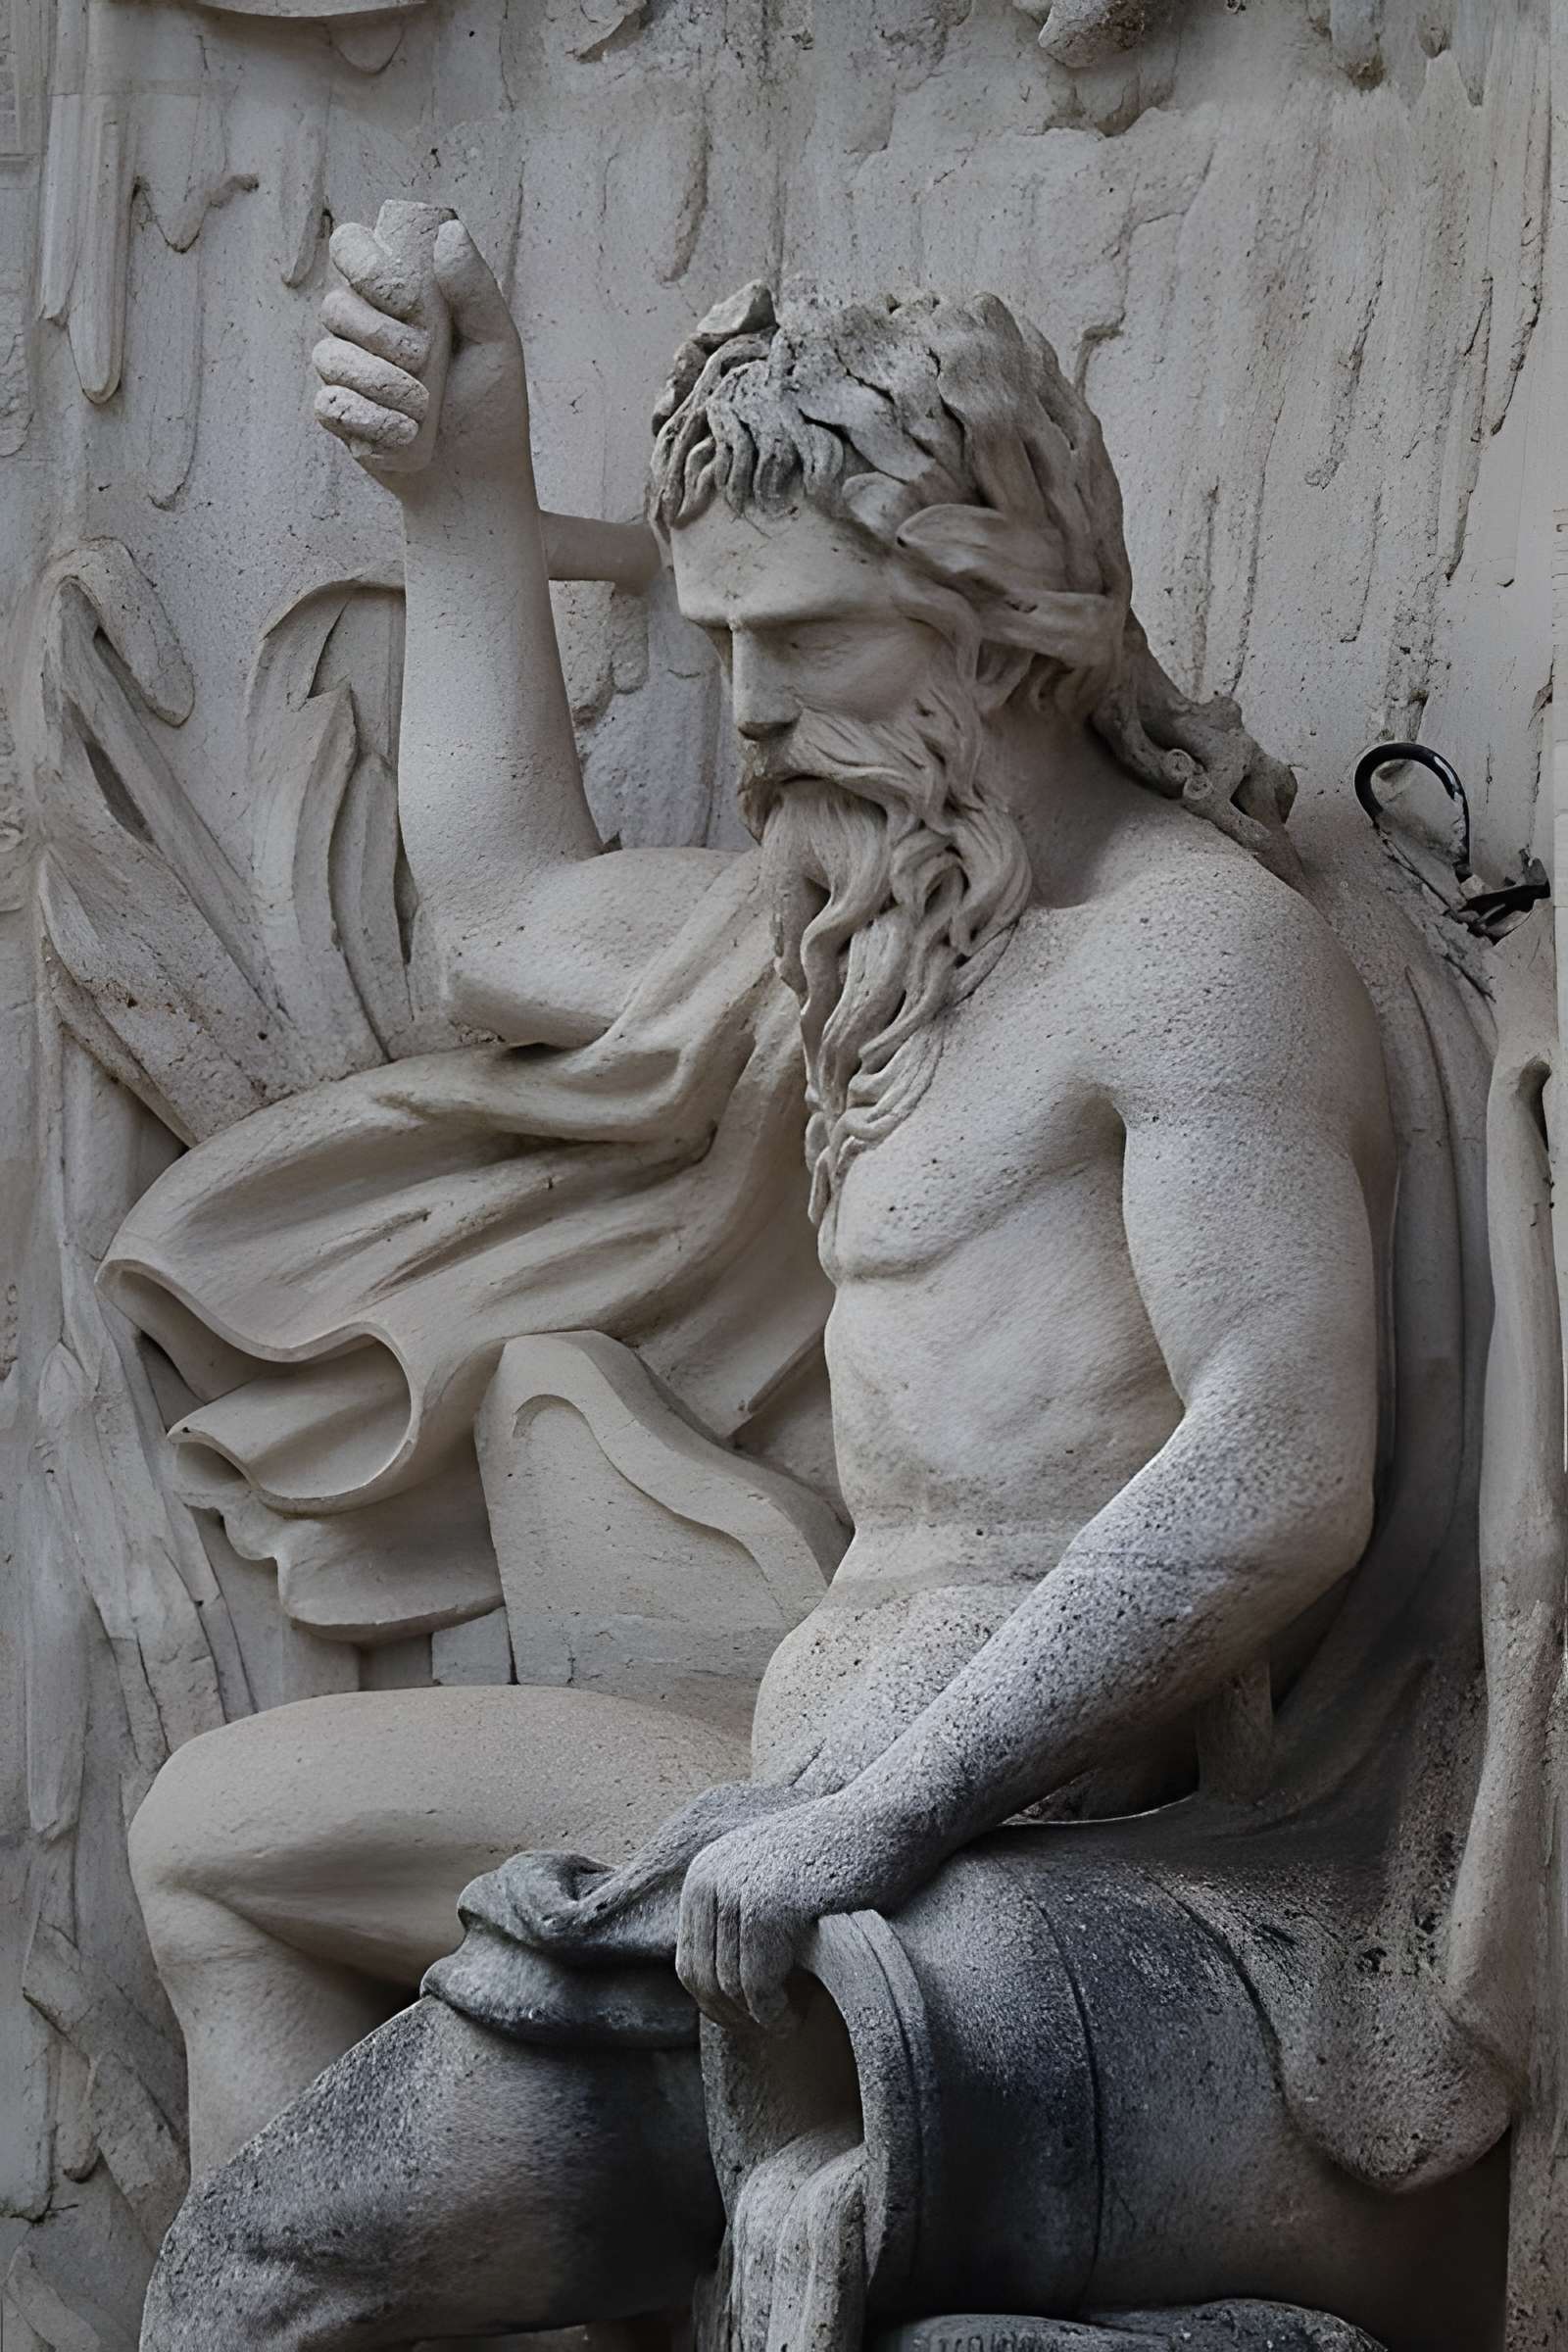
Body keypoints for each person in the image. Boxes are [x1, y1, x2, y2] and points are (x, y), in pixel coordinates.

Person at [135, 220, 1513, 2352]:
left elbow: (1273, 1462)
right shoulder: (862, 947)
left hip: (1024, 1861)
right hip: (781, 1808)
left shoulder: (1189, 961)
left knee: (262, 2285)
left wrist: (877, 1810)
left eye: (807, 641)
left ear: (1000, 624)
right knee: (216, 1862)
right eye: (718, 645)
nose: (753, 710)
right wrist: (464, 494)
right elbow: (498, 915)